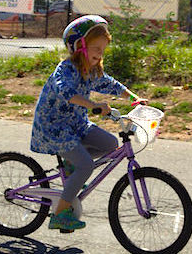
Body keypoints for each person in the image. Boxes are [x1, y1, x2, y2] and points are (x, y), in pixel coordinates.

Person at [30, 15, 147, 231]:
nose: (100, 54)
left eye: (103, 50)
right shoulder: (65, 69)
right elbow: (66, 92)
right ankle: (60, 214)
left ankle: (72, 166)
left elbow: (111, 84)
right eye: (96, 48)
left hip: (76, 125)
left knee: (111, 145)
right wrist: (93, 104)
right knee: (86, 165)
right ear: (79, 46)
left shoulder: (92, 70)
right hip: (55, 128)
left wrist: (133, 98)